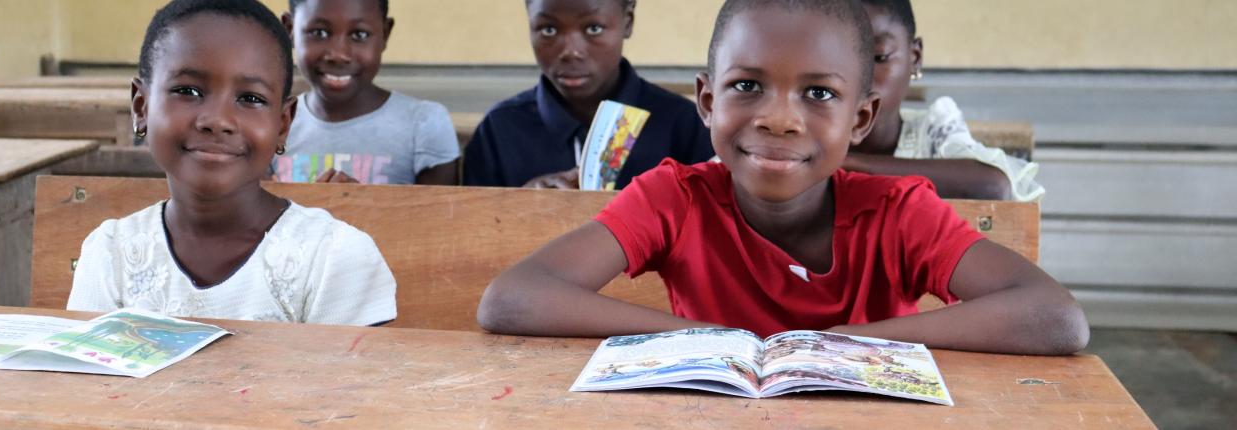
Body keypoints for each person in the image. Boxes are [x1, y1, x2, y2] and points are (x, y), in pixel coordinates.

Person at [477, 0, 1087, 355]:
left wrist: (843, 346)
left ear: (861, 118)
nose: (778, 119)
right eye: (747, 86)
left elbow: (1056, 318)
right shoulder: (675, 198)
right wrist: (715, 340)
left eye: (819, 92)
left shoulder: (898, 211)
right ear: (707, 101)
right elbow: (513, 298)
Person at [68, 0, 396, 326]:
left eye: (250, 98)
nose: (217, 120)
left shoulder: (335, 260)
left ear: (282, 124)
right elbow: (84, 377)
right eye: (188, 90)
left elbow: (355, 377)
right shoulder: (112, 254)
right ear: (141, 108)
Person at [462, 0, 714, 189]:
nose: (570, 51)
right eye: (548, 30)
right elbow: (471, 237)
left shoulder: (684, 124)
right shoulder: (500, 129)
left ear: (627, 22)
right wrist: (519, 208)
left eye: (593, 28)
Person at [843, 0, 1044, 201]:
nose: (860, 74)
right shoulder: (814, 128)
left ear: (915, 58)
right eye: (842, 57)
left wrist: (846, 165)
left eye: (879, 56)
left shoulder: (932, 132)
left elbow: (994, 187)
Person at [272, 0, 461, 185]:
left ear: (385, 34)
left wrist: (360, 206)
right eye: (319, 33)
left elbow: (446, 214)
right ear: (289, 29)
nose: (339, 54)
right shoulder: (272, 123)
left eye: (359, 34)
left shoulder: (423, 123)